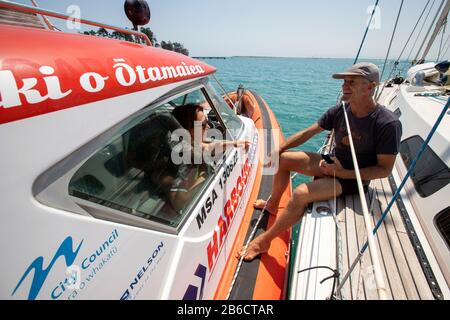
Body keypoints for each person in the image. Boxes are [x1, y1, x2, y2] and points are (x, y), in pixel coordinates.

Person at [236, 62, 402, 261]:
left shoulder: (387, 123)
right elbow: (309, 132)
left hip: (352, 178)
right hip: (333, 163)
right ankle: (273, 204)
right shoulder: (341, 110)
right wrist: (279, 149)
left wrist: (343, 173)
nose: (344, 86)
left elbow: (384, 170)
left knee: (300, 194)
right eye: (344, 82)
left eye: (351, 82)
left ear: (371, 87)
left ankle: (263, 242)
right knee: (283, 160)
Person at [165, 103, 250, 212]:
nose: (209, 126)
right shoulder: (181, 157)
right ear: (187, 130)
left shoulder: (189, 142)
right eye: (203, 125)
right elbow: (179, 202)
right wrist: (205, 173)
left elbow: (209, 147)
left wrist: (234, 143)